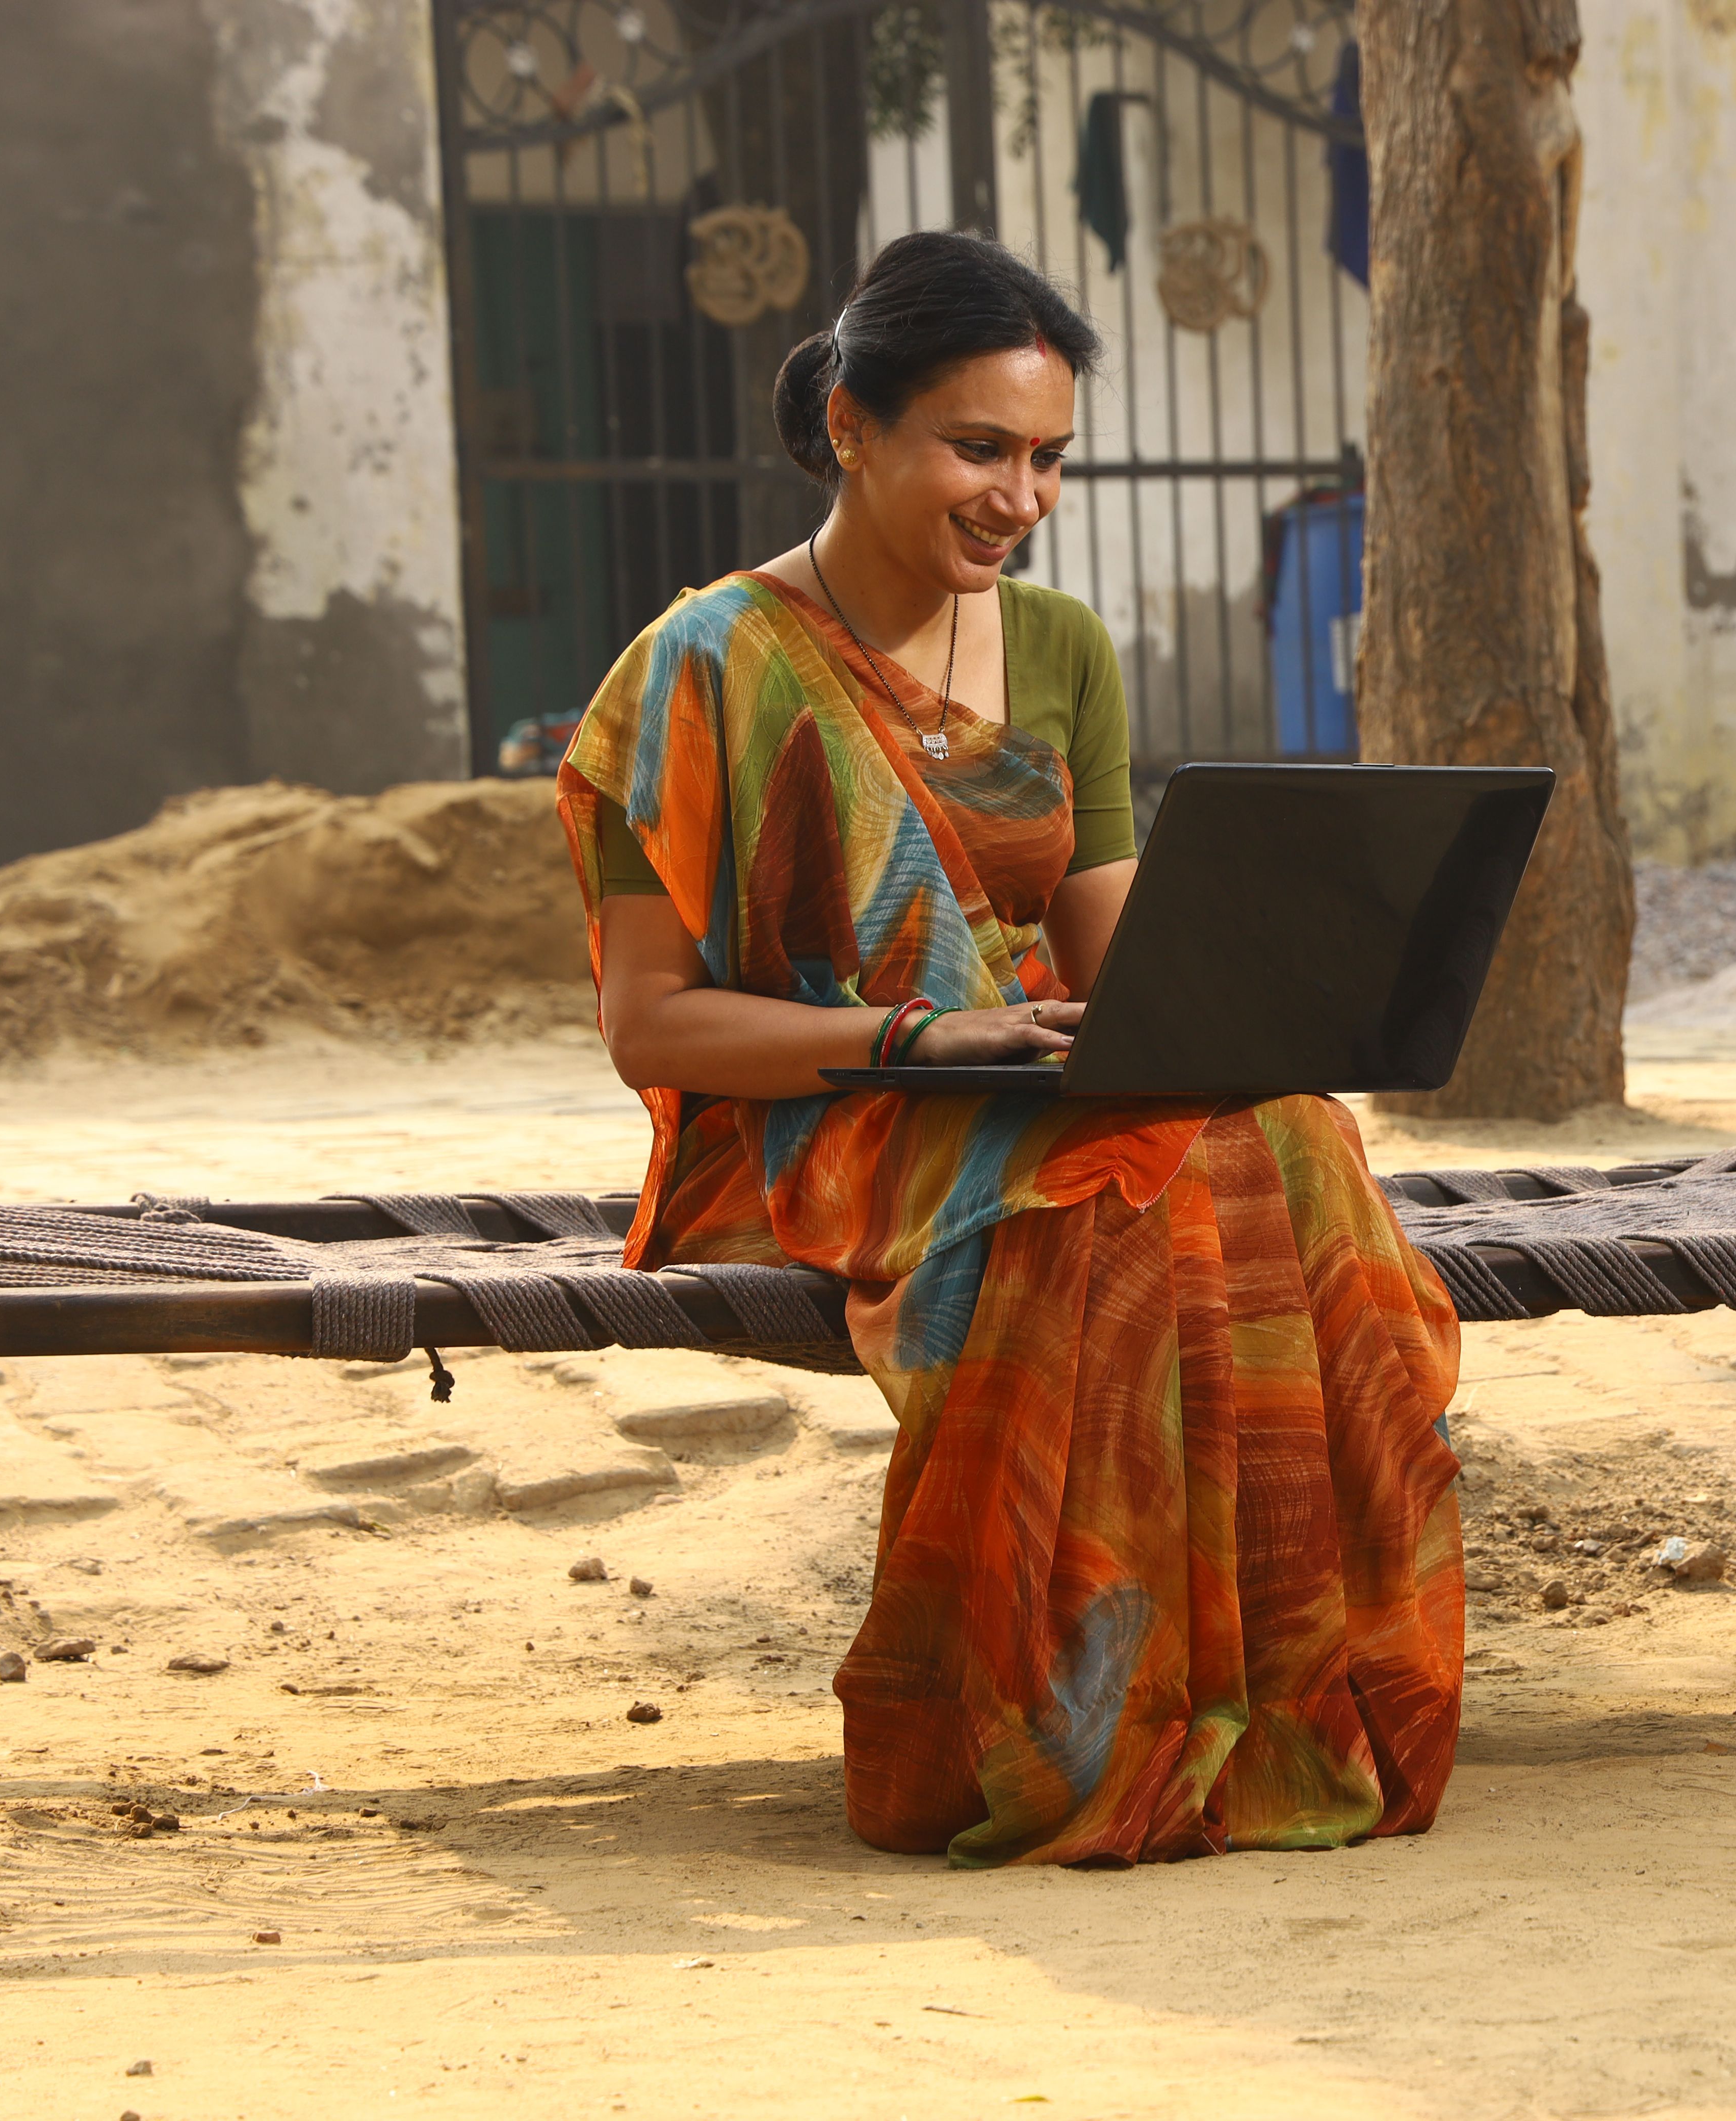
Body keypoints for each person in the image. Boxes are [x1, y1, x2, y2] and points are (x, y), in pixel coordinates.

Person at [554, 231, 1464, 1867]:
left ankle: (1265, 1698)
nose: (1019, 496)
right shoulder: (701, 666)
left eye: (1047, 459)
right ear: (851, 425)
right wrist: (919, 1029)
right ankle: (1058, 1715)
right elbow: (652, 1025)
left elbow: (1120, 976)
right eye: (980, 449)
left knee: (1284, 1142)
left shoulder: (1060, 651)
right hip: (808, 1119)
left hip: (1022, 1086)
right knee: (1107, 1186)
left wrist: (1269, 1003)